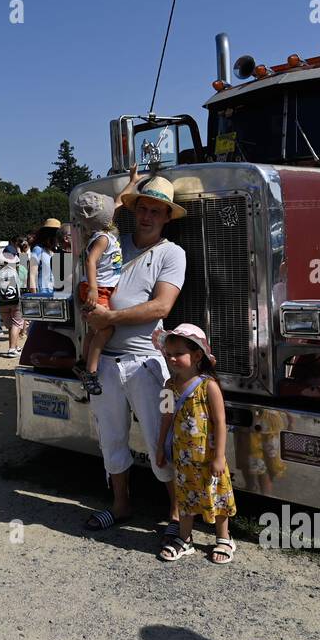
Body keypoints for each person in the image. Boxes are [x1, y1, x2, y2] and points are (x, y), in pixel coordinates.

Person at [83, 175, 187, 538]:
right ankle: (121, 505)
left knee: (162, 437)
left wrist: (109, 317)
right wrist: (89, 306)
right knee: (110, 438)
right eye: (143, 208)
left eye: (156, 211)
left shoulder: (171, 253)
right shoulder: (113, 243)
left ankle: (176, 515)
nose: (147, 216)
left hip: (146, 364)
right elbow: (90, 279)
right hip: (107, 362)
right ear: (135, 210)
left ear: (166, 217)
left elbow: (161, 305)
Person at [153, 325, 236, 564]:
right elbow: (166, 417)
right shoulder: (169, 386)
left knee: (217, 497)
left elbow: (221, 422)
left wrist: (219, 456)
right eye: (168, 354)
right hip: (184, 457)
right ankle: (184, 538)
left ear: (197, 355)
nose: (171, 359)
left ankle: (224, 538)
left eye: (178, 353)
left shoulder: (208, 386)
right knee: (186, 498)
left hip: (209, 458)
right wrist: (160, 447)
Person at [73, 166, 136, 395]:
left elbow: (119, 201)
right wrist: (92, 289)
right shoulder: (102, 238)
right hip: (96, 289)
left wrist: (132, 181)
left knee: (94, 329)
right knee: (106, 329)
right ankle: (90, 372)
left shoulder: (107, 230)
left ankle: (83, 360)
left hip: (100, 288)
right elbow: (90, 262)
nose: (115, 209)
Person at [0, 245, 25, 357]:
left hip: (1, 301)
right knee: (16, 324)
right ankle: (12, 349)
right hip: (16, 301)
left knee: (11, 326)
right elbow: (25, 285)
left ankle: (15, 347)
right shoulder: (20, 269)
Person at [28, 220, 61, 295]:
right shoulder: (37, 250)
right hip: (43, 294)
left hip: (55, 293)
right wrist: (34, 296)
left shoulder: (55, 251)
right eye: (58, 234)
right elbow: (32, 275)